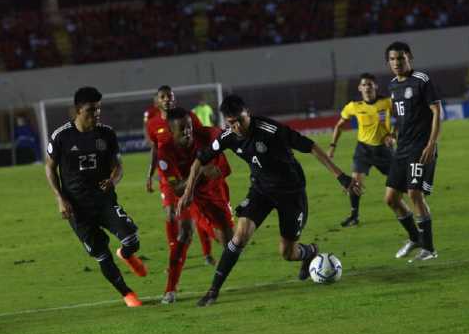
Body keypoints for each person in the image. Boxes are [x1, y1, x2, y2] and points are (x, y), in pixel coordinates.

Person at [177, 95, 360, 306]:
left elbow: (310, 146)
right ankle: (213, 291)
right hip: (261, 191)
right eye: (230, 123)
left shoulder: (270, 129)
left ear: (248, 113)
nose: (236, 127)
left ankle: (310, 252)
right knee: (239, 237)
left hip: (291, 193)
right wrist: (188, 191)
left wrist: (341, 176)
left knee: (288, 253)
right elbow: (199, 161)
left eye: (239, 120)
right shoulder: (227, 136)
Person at [45, 86, 148, 308]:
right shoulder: (61, 136)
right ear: (78, 111)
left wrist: (113, 179)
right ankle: (128, 294)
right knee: (101, 254)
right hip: (77, 208)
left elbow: (118, 166)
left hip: (104, 201)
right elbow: (50, 168)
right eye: (91, 110)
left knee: (132, 237)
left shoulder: (106, 133)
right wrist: (59, 198)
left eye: (99, 109)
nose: (97, 114)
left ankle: (127, 254)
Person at [156, 107, 234, 304]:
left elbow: (229, 143)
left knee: (229, 243)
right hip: (188, 196)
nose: (187, 132)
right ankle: (170, 290)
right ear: (170, 130)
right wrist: (200, 171)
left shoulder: (207, 135)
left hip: (215, 191)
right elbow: (179, 190)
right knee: (184, 233)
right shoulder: (165, 152)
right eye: (182, 129)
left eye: (189, 127)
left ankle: (203, 225)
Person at [143, 86, 216, 266]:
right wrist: (149, 174)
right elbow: (154, 150)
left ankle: (207, 253)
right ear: (157, 101)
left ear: (174, 99)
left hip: (191, 172)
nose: (167, 99)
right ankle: (174, 252)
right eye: (163, 96)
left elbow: (202, 139)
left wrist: (207, 165)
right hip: (168, 178)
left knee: (196, 213)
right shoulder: (152, 124)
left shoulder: (188, 117)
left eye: (170, 96)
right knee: (170, 214)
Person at [383, 41, 442, 263]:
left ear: (409, 58)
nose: (397, 63)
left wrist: (431, 143)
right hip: (402, 147)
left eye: (400, 58)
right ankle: (415, 238)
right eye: (392, 59)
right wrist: (392, 134)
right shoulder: (392, 86)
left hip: (420, 146)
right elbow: (399, 117)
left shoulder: (421, 80)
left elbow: (437, 111)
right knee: (390, 198)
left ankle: (429, 248)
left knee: (414, 194)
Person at [328, 73, 394, 227]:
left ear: (375, 86)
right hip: (363, 150)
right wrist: (332, 146)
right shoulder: (354, 106)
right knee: (355, 183)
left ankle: (411, 206)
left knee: (398, 182)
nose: (367, 87)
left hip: (384, 150)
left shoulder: (387, 103)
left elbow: (403, 118)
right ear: (359, 88)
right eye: (364, 85)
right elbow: (339, 126)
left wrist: (393, 134)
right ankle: (354, 215)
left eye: (370, 84)